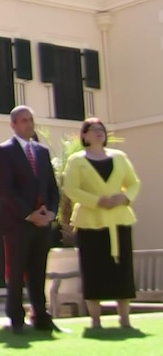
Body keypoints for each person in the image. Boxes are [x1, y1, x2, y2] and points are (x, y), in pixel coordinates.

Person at [63, 118, 141, 329]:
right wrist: (97, 201)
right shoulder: (77, 161)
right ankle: (95, 320)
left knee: (122, 269)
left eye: (101, 130)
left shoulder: (120, 157)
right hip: (90, 223)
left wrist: (124, 198)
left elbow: (133, 183)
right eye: (93, 130)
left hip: (119, 221)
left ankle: (124, 318)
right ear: (85, 136)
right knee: (93, 269)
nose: (99, 133)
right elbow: (71, 188)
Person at [0, 106, 62, 334]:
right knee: (16, 271)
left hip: (42, 223)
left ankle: (41, 316)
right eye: (23, 121)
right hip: (17, 223)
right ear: (13, 124)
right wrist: (27, 213)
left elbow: (52, 187)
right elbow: (6, 189)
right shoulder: (4, 151)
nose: (28, 124)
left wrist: (51, 212)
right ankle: (16, 318)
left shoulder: (41, 151)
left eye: (30, 120)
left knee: (38, 270)